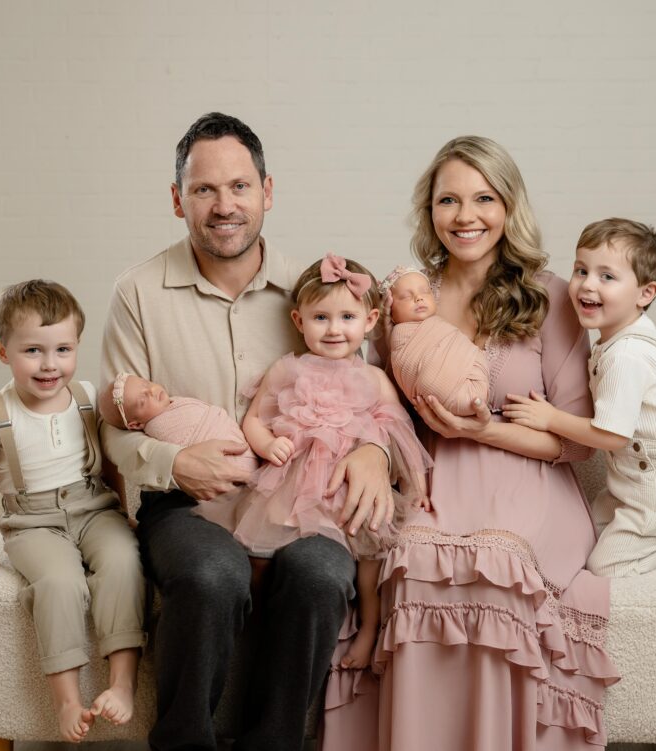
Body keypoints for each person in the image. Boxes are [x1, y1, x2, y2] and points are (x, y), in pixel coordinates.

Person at [99, 112, 394, 751]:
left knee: (320, 573)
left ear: (267, 190)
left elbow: (365, 398)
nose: (224, 205)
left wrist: (373, 451)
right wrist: (174, 466)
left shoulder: (316, 289)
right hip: (187, 504)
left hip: (298, 499)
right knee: (212, 572)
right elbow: (113, 428)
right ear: (178, 200)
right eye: (204, 189)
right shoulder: (138, 292)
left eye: (239, 186)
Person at [322, 136, 620, 750]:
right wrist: (376, 452)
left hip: (530, 482)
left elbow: (577, 442)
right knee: (410, 565)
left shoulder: (552, 296)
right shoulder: (405, 300)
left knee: (495, 568)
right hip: (432, 476)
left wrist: (483, 429)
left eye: (484, 198)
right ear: (428, 211)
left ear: (509, 207)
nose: (466, 216)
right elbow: (381, 404)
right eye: (448, 200)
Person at [195, 253, 431, 670]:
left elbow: (399, 433)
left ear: (371, 320)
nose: (335, 329)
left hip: (350, 490)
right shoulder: (288, 369)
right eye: (321, 318)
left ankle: (369, 629)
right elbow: (254, 418)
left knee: (370, 564)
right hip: (292, 483)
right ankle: (254, 632)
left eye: (347, 317)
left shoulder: (375, 378)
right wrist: (268, 444)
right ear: (299, 321)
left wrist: (418, 489)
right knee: (259, 557)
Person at [0, 279, 146, 743]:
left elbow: (108, 463)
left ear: (77, 347)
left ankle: (122, 682)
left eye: (62, 349)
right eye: (33, 351)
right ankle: (66, 699)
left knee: (123, 563)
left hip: (94, 508)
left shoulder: (84, 397)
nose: (49, 364)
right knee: (59, 582)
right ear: (3, 351)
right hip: (32, 523)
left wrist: (120, 511)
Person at [504, 218, 656, 577]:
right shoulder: (620, 340)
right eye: (581, 270)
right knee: (582, 533)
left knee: (605, 564)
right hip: (636, 482)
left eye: (606, 277)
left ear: (646, 293)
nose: (586, 285)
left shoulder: (626, 356)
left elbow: (612, 435)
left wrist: (549, 418)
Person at [378, 265, 489, 415]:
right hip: (448, 397)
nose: (419, 298)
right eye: (405, 296)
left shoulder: (437, 325)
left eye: (425, 291)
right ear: (389, 309)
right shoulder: (400, 334)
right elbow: (406, 368)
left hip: (475, 383)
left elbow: (454, 349)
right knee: (428, 379)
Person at [98, 372, 259, 473]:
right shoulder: (160, 428)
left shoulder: (170, 404)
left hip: (243, 440)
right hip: (225, 463)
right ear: (136, 425)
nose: (151, 392)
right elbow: (189, 452)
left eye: (146, 384)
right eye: (142, 400)